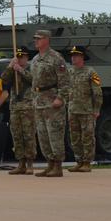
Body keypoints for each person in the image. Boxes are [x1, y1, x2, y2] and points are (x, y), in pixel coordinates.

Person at [30, 29, 69, 178]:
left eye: (39, 38)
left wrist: (60, 98)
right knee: (43, 135)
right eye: (35, 38)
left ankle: (57, 166)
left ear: (47, 39)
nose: (36, 41)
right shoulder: (35, 59)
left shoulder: (56, 58)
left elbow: (65, 82)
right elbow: (34, 81)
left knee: (54, 134)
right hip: (39, 102)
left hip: (52, 102)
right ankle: (49, 164)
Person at [0, 48, 36, 175]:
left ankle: (30, 163)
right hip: (15, 107)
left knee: (28, 135)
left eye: (22, 56)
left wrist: (21, 71)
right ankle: (21, 163)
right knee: (17, 136)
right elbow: (3, 80)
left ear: (27, 57)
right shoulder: (12, 69)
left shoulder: (31, 67)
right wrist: (10, 67)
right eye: (18, 56)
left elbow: (35, 81)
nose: (20, 59)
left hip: (28, 106)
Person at [66, 46, 103, 172]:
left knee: (87, 137)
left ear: (82, 57)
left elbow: (97, 92)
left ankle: (87, 162)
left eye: (76, 55)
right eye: (72, 56)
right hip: (72, 110)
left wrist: (96, 109)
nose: (73, 58)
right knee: (74, 137)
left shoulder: (91, 72)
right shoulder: (69, 72)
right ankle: (79, 161)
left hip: (86, 110)